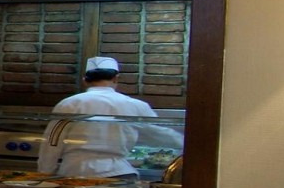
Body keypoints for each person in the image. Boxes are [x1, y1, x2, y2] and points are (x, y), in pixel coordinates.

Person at [36, 57, 184, 178]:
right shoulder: (135, 105)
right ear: (116, 78)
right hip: (118, 173)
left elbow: (52, 142)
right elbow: (160, 134)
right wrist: (188, 145)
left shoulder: (68, 104)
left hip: (73, 172)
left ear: (84, 80)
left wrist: (44, 174)